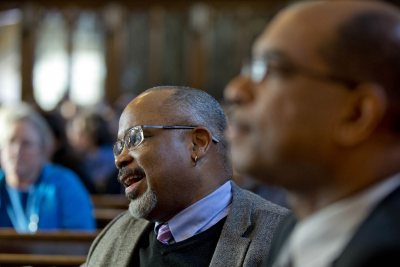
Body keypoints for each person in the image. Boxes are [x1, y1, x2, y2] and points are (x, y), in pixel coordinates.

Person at [224, 1, 400, 267]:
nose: (235, 90)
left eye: (270, 68)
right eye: (250, 68)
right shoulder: (294, 225)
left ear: (357, 114)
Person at [83, 86, 289, 266]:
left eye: (135, 138)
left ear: (197, 143)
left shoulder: (278, 237)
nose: (120, 159)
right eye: (119, 147)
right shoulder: (117, 233)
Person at [0, 103, 96, 232]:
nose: (17, 151)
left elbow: (78, 243)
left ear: (42, 149)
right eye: (11, 141)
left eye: (26, 143)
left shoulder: (65, 185)